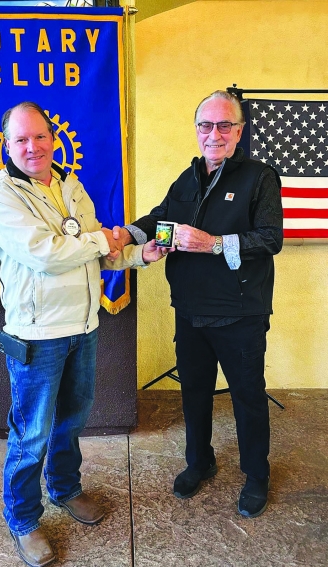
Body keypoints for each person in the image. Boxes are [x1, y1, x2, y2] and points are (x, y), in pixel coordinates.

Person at [0, 101, 164, 567]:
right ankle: (23, 519)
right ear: (6, 145)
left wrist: (137, 256)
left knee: (72, 420)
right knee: (31, 434)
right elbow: (47, 252)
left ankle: (65, 489)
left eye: (40, 136)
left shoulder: (69, 184)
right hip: (37, 335)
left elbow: (91, 251)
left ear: (53, 137)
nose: (32, 147)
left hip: (83, 327)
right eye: (21, 139)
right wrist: (110, 239)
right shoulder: (1, 194)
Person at [116, 90, 283, 518]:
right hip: (189, 308)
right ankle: (199, 461)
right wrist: (126, 234)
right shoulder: (188, 177)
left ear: (240, 131)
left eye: (225, 125)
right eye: (206, 125)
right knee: (194, 392)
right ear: (196, 131)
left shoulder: (261, 177)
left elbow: (270, 238)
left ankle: (256, 475)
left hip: (240, 311)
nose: (214, 134)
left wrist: (213, 244)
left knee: (247, 395)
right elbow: (160, 215)